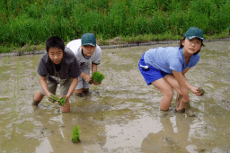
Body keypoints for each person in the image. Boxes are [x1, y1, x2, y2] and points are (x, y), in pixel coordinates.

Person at [138, 27, 205, 117]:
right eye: (190, 41)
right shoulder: (176, 58)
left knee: (181, 90)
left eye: (197, 42)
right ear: (183, 42)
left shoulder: (195, 57)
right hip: (149, 63)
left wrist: (188, 87)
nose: (193, 45)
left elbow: (180, 75)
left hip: (165, 67)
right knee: (168, 93)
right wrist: (191, 89)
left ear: (200, 46)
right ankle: (163, 116)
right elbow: (182, 83)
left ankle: (179, 111)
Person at [32, 36, 82, 113]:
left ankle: (66, 121)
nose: (56, 57)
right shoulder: (44, 59)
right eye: (52, 54)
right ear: (48, 52)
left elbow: (75, 79)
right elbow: (42, 79)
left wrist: (67, 96)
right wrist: (48, 94)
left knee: (64, 101)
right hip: (51, 77)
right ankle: (33, 106)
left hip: (67, 78)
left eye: (59, 53)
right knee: (40, 95)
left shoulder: (71, 58)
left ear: (63, 51)